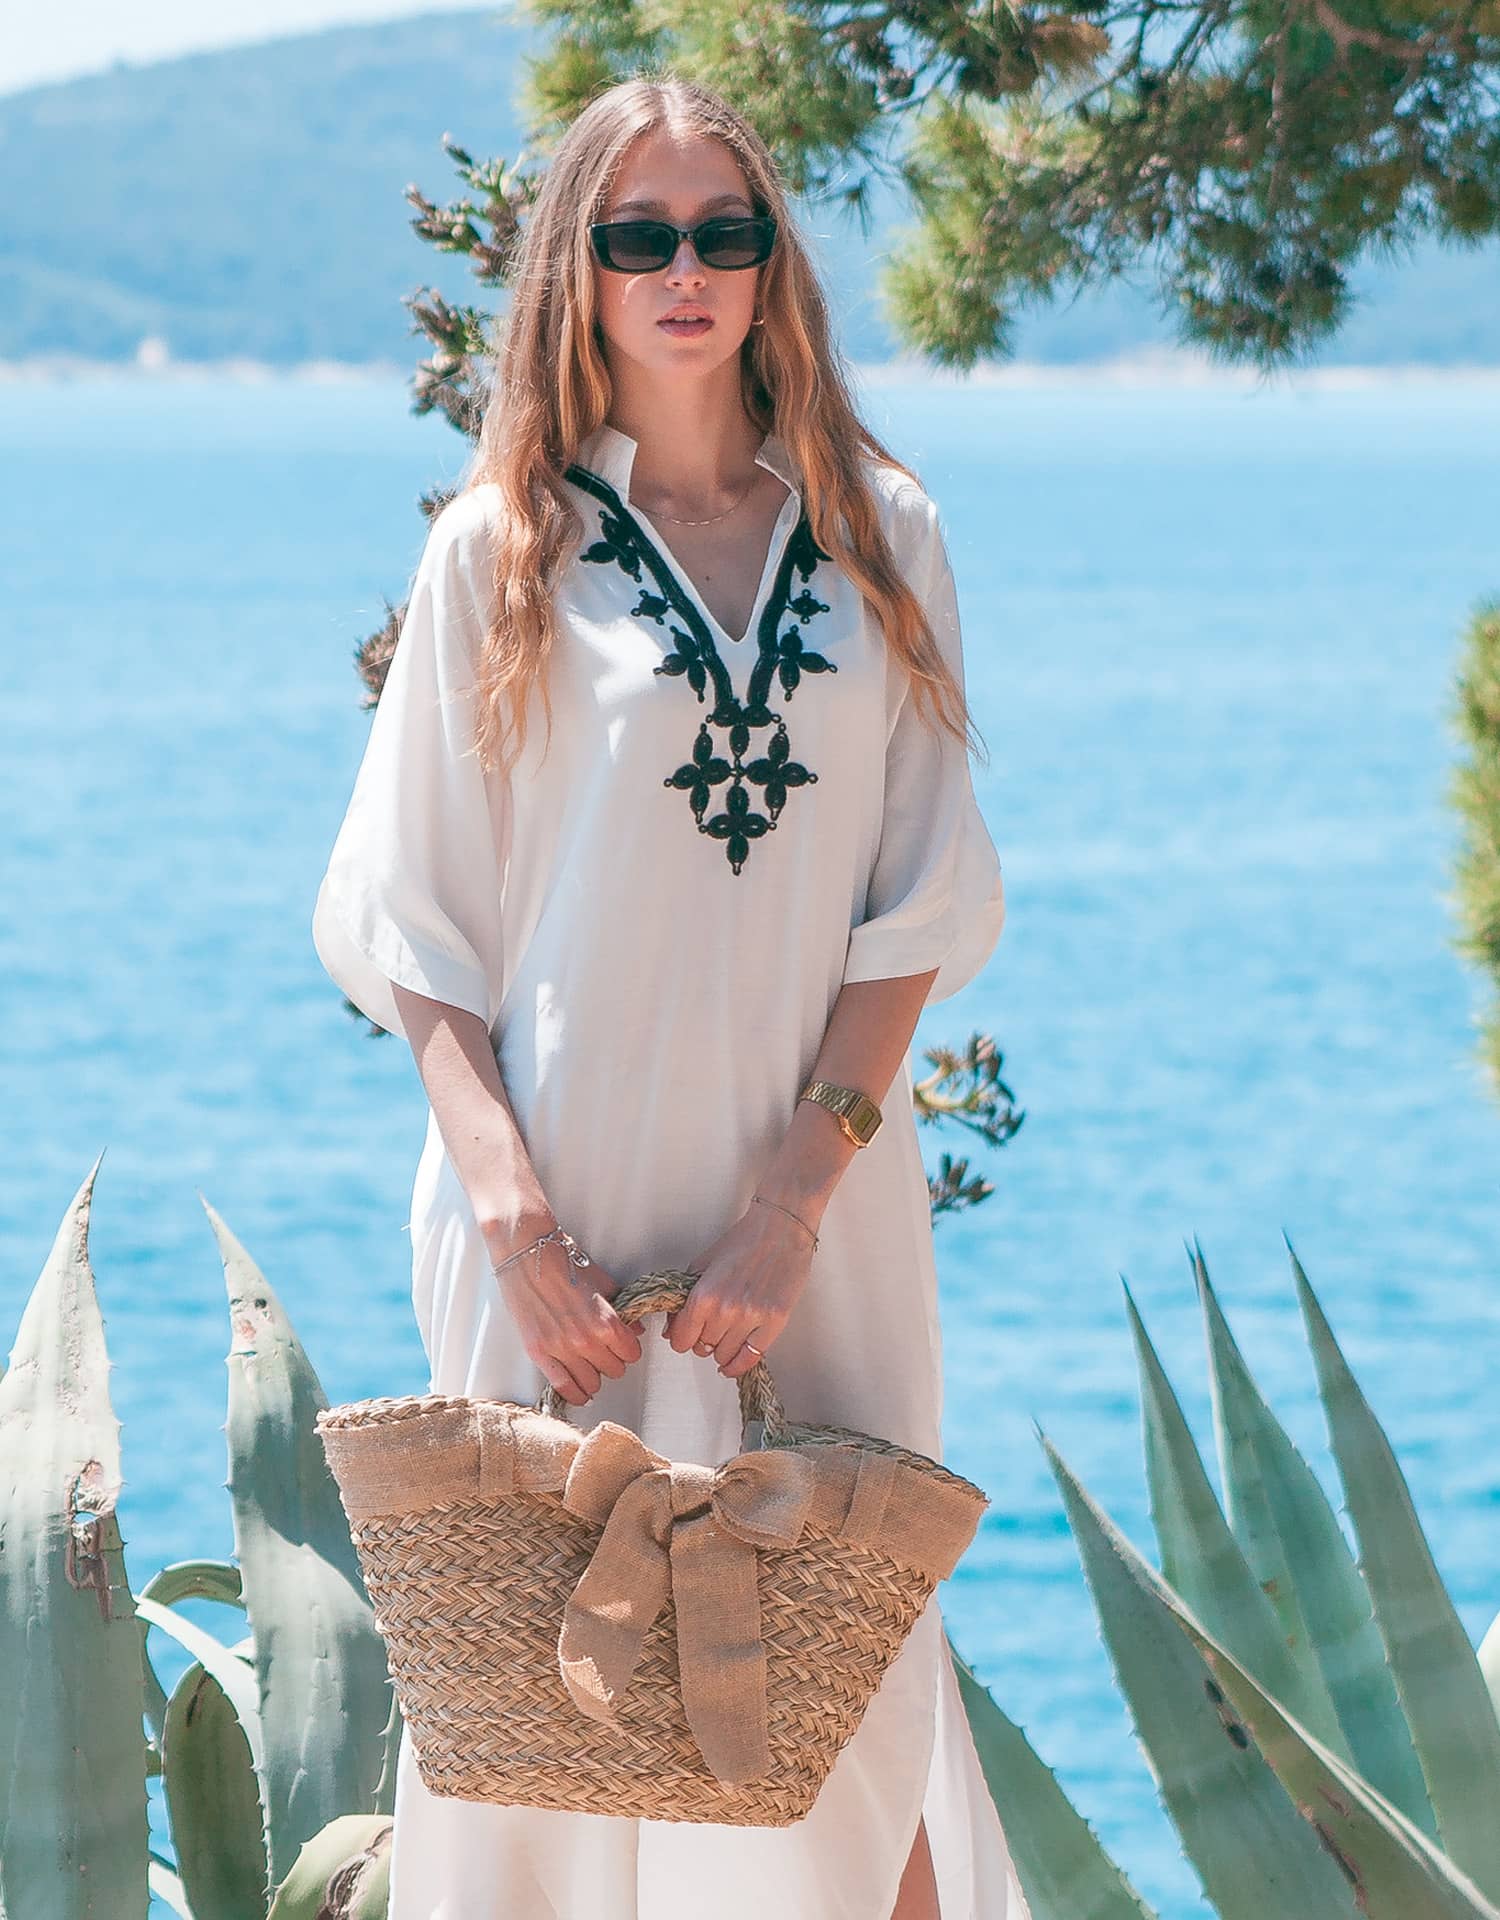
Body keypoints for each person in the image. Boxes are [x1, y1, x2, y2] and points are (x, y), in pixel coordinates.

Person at [311, 68, 1031, 1920]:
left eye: (725, 231)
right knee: (541, 1733)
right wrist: (511, 1221)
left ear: (773, 259)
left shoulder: (883, 537)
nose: (686, 271)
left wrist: (794, 1204)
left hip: (825, 1220)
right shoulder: (502, 551)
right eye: (642, 237)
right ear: (581, 268)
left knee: (854, 1694)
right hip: (551, 1227)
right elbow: (410, 929)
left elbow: (920, 905)